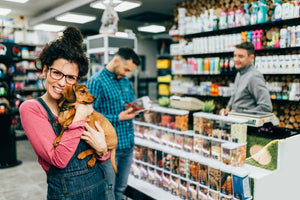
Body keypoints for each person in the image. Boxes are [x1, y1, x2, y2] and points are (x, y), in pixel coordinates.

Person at [19, 26, 113, 200]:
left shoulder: (79, 103)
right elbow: (59, 161)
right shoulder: (32, 108)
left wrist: (102, 151)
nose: (62, 83)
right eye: (57, 73)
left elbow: (102, 152)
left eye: (70, 77)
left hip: (101, 186)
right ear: (46, 70)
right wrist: (79, 116)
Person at [86, 47, 141, 200]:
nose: (127, 74)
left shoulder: (125, 81)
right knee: (107, 191)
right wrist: (118, 117)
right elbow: (89, 116)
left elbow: (131, 105)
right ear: (116, 61)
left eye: (130, 71)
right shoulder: (96, 82)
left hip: (127, 145)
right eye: (126, 69)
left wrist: (141, 108)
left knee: (120, 189)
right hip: (109, 149)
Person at [220, 41, 272, 115]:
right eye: (235, 55)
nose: (236, 59)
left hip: (247, 125)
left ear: (251, 58)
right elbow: (235, 95)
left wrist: (240, 114)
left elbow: (266, 107)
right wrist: (228, 108)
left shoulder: (254, 76)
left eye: (240, 56)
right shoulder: (239, 73)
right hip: (237, 123)